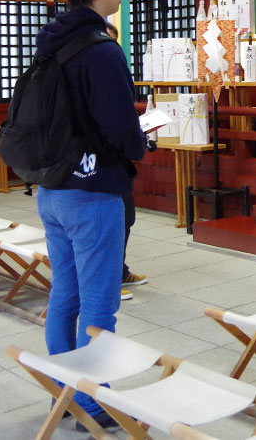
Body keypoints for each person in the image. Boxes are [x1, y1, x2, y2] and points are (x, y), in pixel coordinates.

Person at [35, 0, 146, 430]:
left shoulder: (53, 41)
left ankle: (63, 390)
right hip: (93, 189)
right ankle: (94, 405)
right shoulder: (101, 50)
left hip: (52, 188)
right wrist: (141, 144)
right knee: (100, 302)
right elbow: (121, 126)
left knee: (66, 293)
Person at [104, 20, 148, 301]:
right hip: (99, 162)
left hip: (119, 161)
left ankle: (119, 271)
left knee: (126, 218)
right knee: (107, 223)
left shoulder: (115, 73)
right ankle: (107, 283)